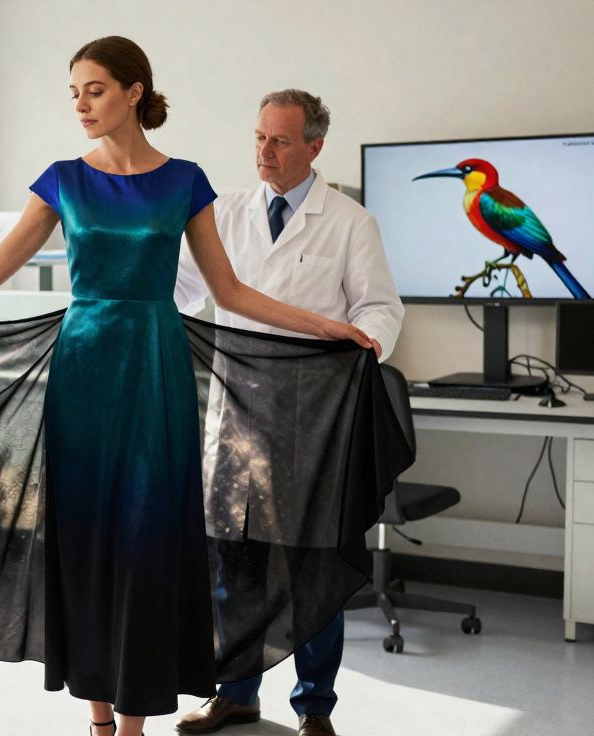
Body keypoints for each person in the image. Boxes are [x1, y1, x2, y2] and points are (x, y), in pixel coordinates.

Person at [0, 38, 408, 736]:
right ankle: (102, 722)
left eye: (94, 89)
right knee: (87, 539)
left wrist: (330, 328)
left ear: (134, 93)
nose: (80, 104)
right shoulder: (63, 179)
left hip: (155, 369)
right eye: (73, 92)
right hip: (83, 369)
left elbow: (229, 292)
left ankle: (136, 721)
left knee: (149, 543)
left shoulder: (185, 181)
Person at [172, 90, 403, 736]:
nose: (263, 153)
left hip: (312, 419)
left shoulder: (351, 222)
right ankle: (235, 693)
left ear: (314, 147)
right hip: (236, 412)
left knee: (312, 568)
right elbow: (184, 292)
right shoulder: (225, 214)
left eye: (278, 141)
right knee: (234, 566)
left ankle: (315, 708)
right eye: (258, 138)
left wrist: (366, 345)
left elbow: (381, 308)